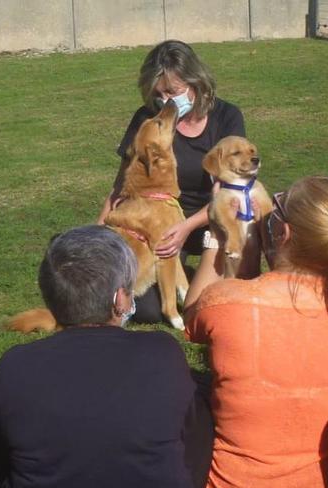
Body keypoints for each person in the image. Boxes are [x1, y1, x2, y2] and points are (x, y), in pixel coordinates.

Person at [0, 225, 210, 488]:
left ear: (50, 297)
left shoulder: (18, 364)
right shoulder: (162, 352)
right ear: (121, 299)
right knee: (199, 411)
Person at [182, 176, 328, 488]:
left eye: (274, 210)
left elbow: (193, 318)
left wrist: (220, 234)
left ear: (282, 233)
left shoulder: (229, 302)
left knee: (182, 384)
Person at [97, 39, 246, 325]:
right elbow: (120, 186)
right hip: (157, 228)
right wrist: (98, 237)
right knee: (148, 312)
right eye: (159, 94)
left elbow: (232, 190)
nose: (166, 101)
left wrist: (186, 227)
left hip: (212, 221)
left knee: (211, 303)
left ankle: (201, 273)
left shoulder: (227, 117)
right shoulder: (146, 119)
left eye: (173, 92)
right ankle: (186, 274)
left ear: (196, 83)